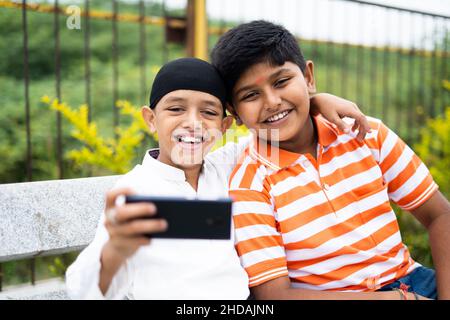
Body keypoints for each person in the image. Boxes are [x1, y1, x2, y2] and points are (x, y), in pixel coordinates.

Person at [65, 57, 371, 300]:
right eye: (175, 109)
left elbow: (273, 129)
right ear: (150, 119)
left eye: (208, 113)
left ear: (224, 126)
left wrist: (316, 101)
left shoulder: (226, 167)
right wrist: (115, 250)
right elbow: (84, 292)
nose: (193, 123)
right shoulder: (135, 191)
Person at [211, 20, 450, 300]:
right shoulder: (250, 185)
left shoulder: (365, 133)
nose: (272, 101)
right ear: (234, 112)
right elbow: (275, 295)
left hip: (415, 283)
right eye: (251, 95)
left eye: (282, 81)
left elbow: (439, 215)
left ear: (308, 77)